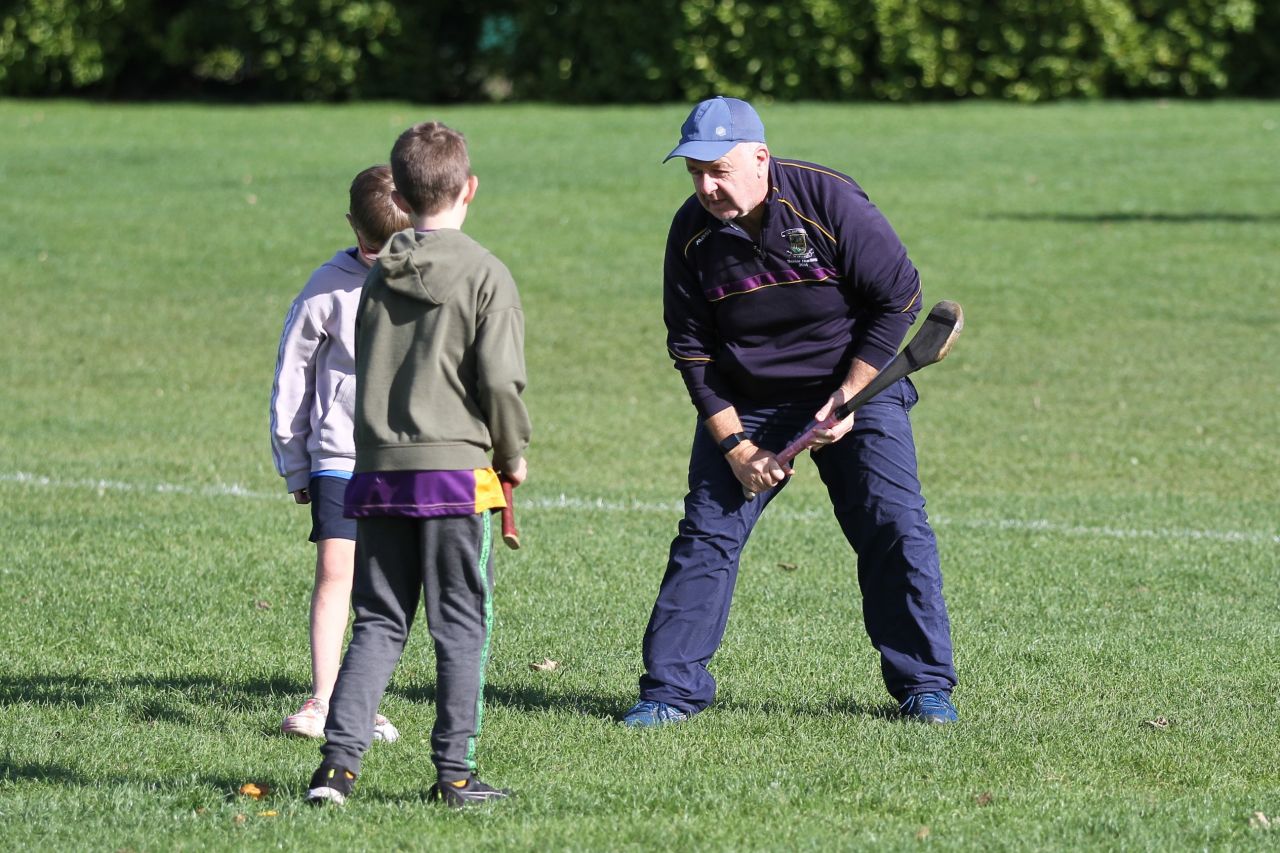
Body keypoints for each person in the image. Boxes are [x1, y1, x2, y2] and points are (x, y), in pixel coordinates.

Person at [621, 96, 958, 728]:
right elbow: (691, 350)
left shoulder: (828, 202)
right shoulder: (692, 233)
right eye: (694, 172)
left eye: (718, 169)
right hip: (749, 399)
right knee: (707, 537)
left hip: (856, 381)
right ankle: (670, 691)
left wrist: (849, 393)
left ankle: (925, 686)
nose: (706, 186)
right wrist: (735, 446)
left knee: (893, 525)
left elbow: (901, 298)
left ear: (760, 158)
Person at [305, 121, 531, 807]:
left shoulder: (377, 277)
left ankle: (336, 769)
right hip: (454, 473)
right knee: (461, 621)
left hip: (375, 471)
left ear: (399, 194)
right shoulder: (487, 273)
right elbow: (499, 381)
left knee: (378, 621)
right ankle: (455, 773)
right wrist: (512, 450)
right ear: (470, 188)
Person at [270, 164, 410, 742]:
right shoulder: (326, 286)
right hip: (338, 455)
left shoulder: (432, 279)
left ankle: (361, 700)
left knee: (384, 587)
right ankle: (322, 699)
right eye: (368, 246)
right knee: (335, 573)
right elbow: (292, 373)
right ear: (351, 226)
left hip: (404, 460)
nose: (376, 257)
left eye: (390, 248)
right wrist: (293, 458)